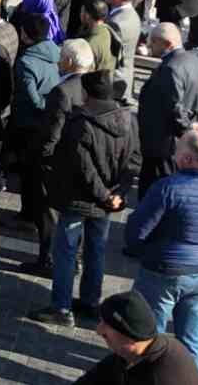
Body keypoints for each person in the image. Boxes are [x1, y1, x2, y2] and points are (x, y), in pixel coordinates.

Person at [122, 131, 198, 372]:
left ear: (187, 158)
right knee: (194, 340)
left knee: (149, 335)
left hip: (163, 270)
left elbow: (137, 232)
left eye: (177, 149)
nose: (173, 153)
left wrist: (146, 251)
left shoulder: (167, 188)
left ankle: (149, 377)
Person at [32, 71, 139, 328]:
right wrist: (117, 195)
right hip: (106, 202)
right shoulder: (129, 120)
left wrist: (104, 195)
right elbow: (134, 160)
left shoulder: (80, 122)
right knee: (96, 250)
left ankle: (61, 306)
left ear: (87, 92)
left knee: (67, 251)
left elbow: (83, 168)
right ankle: (91, 301)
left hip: (78, 199)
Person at [73, 290, 198, 385]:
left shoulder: (158, 377)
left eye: (106, 325)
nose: (98, 330)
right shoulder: (139, 350)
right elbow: (99, 375)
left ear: (130, 338)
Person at [136, 23, 198, 198]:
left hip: (163, 143)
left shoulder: (170, 69)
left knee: (156, 190)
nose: (149, 45)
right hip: (175, 142)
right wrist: (197, 121)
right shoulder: (192, 60)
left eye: (153, 42)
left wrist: (187, 130)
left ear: (167, 44)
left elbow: (175, 108)